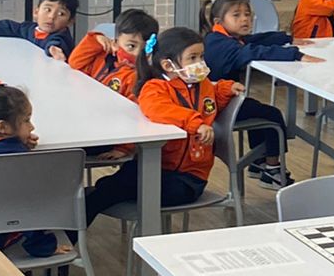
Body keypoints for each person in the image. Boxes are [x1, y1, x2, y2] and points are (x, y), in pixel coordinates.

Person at [84, 27, 231, 224]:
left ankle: (68, 232)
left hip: (188, 180)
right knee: (111, 188)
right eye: (193, 58)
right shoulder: (155, 88)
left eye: (201, 57)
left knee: (105, 192)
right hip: (155, 167)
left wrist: (224, 90)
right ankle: (68, 232)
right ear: (168, 65)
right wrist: (195, 123)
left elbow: (210, 104)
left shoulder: (202, 85)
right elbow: (158, 108)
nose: (200, 64)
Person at [203, 0, 317, 188]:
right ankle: (273, 169)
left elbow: (255, 40)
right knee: (272, 116)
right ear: (218, 21)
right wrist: (295, 55)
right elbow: (253, 51)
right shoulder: (224, 45)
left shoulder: (220, 37)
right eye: (236, 15)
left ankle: (258, 163)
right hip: (217, 106)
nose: (245, 19)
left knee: (256, 108)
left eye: (247, 14)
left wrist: (288, 38)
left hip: (218, 100)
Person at [0, 81, 68, 259]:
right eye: (26, 120)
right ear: (2, 127)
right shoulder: (15, 160)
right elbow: (24, 208)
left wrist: (16, 139)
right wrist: (44, 246)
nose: (31, 127)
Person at [68, 8, 159, 99]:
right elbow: (75, 62)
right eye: (131, 46)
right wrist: (96, 39)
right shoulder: (100, 56)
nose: (137, 53)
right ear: (115, 43)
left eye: (145, 49)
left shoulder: (138, 78)